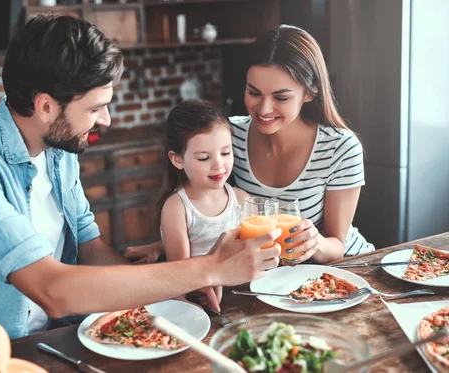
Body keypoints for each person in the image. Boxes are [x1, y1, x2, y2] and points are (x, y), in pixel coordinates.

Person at [0, 15, 282, 365]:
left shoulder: (59, 149)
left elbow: (90, 247)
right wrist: (208, 269)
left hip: (51, 344)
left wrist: (172, 291)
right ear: (46, 106)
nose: (106, 119)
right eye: (96, 107)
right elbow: (52, 288)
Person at [124, 24, 374, 265]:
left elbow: (337, 245)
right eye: (254, 93)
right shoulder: (229, 136)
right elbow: (212, 212)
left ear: (309, 93)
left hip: (343, 267)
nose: (264, 109)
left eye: (281, 97)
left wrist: (315, 243)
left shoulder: (341, 148)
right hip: (271, 276)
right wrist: (164, 245)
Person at [157, 100, 250, 311]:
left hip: (243, 297)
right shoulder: (177, 208)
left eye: (226, 153)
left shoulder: (242, 199)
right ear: (177, 159)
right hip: (200, 303)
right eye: (204, 157)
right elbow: (180, 274)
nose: (218, 164)